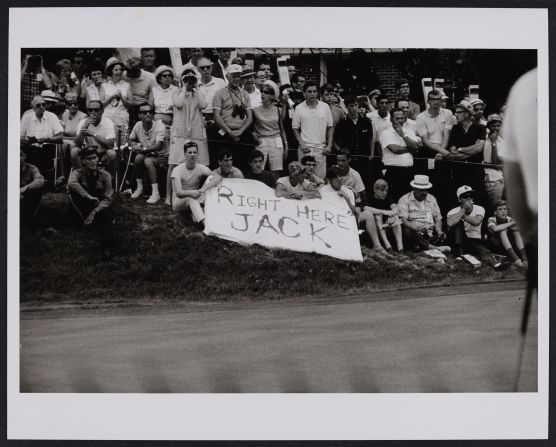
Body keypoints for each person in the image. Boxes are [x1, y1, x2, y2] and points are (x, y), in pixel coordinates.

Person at [319, 166, 386, 255]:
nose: (339, 179)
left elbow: (354, 213)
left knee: (368, 214)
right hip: (331, 220)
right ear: (329, 180)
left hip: (347, 219)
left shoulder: (348, 191)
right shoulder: (323, 191)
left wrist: (346, 198)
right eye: (335, 178)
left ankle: (377, 246)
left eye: (340, 176)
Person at [167, 67, 208, 204]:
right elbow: (178, 103)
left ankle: (201, 196)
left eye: (192, 78)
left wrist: (196, 87)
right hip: (180, 133)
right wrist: (184, 87)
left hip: (196, 133)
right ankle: (169, 196)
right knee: (173, 165)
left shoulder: (197, 94)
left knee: (200, 163)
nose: (189, 81)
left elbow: (204, 105)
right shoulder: (176, 93)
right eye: (186, 78)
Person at [67, 145, 116, 258]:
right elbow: (71, 183)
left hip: (98, 205)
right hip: (81, 205)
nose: (93, 161)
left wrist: (93, 213)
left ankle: (107, 245)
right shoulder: (77, 173)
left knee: (105, 217)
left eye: (94, 158)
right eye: (89, 159)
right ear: (83, 161)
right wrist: (87, 196)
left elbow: (108, 198)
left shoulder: (105, 175)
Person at [415, 89, 456, 214]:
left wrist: (442, 151)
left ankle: (445, 215)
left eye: (439, 99)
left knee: (445, 184)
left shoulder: (448, 113)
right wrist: (441, 151)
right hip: (428, 152)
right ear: (428, 101)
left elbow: (446, 135)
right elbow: (426, 141)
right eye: (433, 99)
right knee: (430, 184)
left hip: (444, 150)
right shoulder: (421, 117)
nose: (436, 102)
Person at [447, 185, 505, 269]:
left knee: (483, 251)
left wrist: (461, 215)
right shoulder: (453, 211)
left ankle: (495, 264)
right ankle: (459, 254)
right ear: (459, 200)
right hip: (458, 241)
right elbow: (450, 223)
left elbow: (476, 222)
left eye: (471, 196)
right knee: (458, 224)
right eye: (465, 196)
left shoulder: (479, 208)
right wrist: (463, 210)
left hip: (474, 240)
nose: (469, 198)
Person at [211, 64, 254, 172]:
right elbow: (217, 116)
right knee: (224, 164)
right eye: (233, 76)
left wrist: (240, 131)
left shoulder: (245, 94)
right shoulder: (220, 93)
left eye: (238, 76)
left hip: (241, 132)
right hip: (225, 132)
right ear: (227, 77)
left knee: (243, 164)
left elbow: (249, 118)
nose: (236, 79)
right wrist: (230, 132)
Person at [171, 142, 219, 229]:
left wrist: (203, 189)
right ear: (185, 154)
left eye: (194, 152)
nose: (192, 155)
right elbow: (178, 193)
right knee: (191, 200)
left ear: (197, 154)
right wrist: (191, 193)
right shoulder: (177, 170)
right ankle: (206, 226)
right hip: (179, 201)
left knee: (211, 180)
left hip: (196, 196)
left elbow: (217, 177)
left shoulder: (200, 167)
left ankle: (198, 215)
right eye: (189, 152)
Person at [448, 100, 487, 207]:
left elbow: (479, 148)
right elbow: (452, 152)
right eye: (456, 112)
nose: (456, 115)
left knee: (477, 200)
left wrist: (460, 149)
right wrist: (471, 151)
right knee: (459, 199)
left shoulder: (480, 128)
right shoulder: (455, 129)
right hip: (459, 171)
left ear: (467, 113)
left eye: (459, 112)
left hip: (476, 170)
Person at [292, 81, 333, 179]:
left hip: (321, 150)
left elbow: (330, 127)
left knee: (320, 180)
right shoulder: (299, 108)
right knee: (303, 179)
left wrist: (329, 145)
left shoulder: (325, 107)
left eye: (314, 91)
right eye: (309, 92)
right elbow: (295, 128)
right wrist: (302, 144)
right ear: (304, 93)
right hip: (305, 149)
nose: (312, 94)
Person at [20, 95, 64, 183]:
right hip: (30, 146)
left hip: (48, 146)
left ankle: (37, 180)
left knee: (37, 153)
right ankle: (39, 179)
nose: (42, 107)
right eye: (38, 105)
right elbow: (20, 137)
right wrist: (27, 141)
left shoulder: (52, 116)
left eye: (43, 104)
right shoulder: (26, 118)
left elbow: (60, 137)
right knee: (31, 152)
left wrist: (47, 139)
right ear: (32, 107)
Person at [128, 103, 167, 204]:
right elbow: (131, 139)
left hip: (161, 156)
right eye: (144, 112)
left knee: (147, 161)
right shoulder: (138, 125)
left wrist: (143, 148)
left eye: (150, 112)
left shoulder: (159, 125)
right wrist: (134, 145)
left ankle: (155, 193)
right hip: (147, 153)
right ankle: (139, 188)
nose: (148, 114)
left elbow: (158, 146)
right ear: (139, 115)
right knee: (138, 159)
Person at [379, 107, 420, 202]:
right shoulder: (386, 133)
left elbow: (416, 148)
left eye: (402, 118)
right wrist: (410, 148)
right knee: (393, 198)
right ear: (391, 119)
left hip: (409, 171)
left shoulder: (409, 132)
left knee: (408, 200)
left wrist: (403, 135)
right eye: (397, 118)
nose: (400, 121)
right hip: (393, 171)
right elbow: (395, 149)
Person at [398, 174, 446, 252]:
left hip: (430, 232)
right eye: (421, 190)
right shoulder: (404, 199)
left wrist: (439, 230)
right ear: (414, 189)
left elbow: (437, 218)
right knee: (407, 231)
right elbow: (402, 219)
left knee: (442, 234)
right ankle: (431, 247)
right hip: (415, 233)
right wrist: (412, 226)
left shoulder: (432, 198)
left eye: (426, 190)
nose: (424, 192)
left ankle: (420, 246)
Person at [333, 95, 374, 185]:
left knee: (366, 182)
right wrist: (340, 152)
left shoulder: (366, 122)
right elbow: (335, 141)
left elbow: (371, 139)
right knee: (349, 183)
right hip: (350, 160)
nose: (354, 108)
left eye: (356, 105)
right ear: (347, 107)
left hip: (364, 158)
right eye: (351, 106)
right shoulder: (342, 124)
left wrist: (371, 154)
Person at [72, 100, 117, 182]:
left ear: (102, 111)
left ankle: (109, 180)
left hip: (102, 153)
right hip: (88, 152)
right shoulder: (83, 122)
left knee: (112, 153)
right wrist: (84, 127)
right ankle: (82, 178)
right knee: (74, 151)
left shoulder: (108, 123)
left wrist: (94, 134)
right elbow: (77, 144)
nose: (93, 112)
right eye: (90, 110)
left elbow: (110, 145)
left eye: (96, 110)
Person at [252, 80, 288, 179]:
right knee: (258, 168)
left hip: (276, 140)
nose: (263, 94)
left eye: (266, 92)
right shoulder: (255, 110)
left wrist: (286, 146)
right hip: (261, 140)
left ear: (272, 96)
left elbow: (282, 128)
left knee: (276, 170)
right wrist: (253, 134)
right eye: (262, 91)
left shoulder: (278, 109)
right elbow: (250, 126)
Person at [365, 179, 403, 253]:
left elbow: (395, 207)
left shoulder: (387, 197)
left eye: (386, 190)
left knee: (395, 217)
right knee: (378, 216)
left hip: (385, 225)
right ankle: (387, 245)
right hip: (374, 228)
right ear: (375, 190)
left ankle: (400, 247)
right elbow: (365, 208)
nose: (384, 193)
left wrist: (392, 213)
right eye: (382, 190)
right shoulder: (369, 196)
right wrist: (383, 212)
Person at [487, 200, 528, 267]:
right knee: (502, 231)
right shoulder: (492, 219)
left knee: (516, 230)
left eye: (504, 209)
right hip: (496, 247)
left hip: (507, 247)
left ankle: (525, 259)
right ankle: (516, 260)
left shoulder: (509, 219)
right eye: (500, 209)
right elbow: (495, 229)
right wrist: (512, 222)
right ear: (495, 212)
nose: (503, 211)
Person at [123, 57, 156, 127]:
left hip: (143, 105)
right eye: (127, 70)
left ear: (137, 70)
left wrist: (147, 112)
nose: (127, 74)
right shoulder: (125, 74)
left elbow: (151, 100)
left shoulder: (150, 78)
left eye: (130, 71)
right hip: (129, 105)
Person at [483, 113, 506, 210]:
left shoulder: (502, 141)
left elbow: (496, 161)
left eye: (498, 125)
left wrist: (493, 143)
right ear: (488, 126)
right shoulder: (483, 138)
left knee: (496, 207)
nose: (496, 128)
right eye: (493, 125)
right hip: (483, 177)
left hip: (496, 179)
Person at [102, 57, 130, 132]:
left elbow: (130, 105)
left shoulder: (127, 85)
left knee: (122, 141)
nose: (119, 72)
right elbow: (101, 105)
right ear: (111, 71)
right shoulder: (104, 86)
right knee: (108, 139)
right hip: (107, 116)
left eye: (120, 69)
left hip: (122, 116)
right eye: (116, 70)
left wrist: (122, 98)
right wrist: (111, 97)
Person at [20, 149, 45, 227]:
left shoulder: (31, 168)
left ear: (24, 157)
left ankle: (30, 218)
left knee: (36, 191)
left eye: (20, 155)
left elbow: (40, 180)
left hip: (26, 195)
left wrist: (24, 188)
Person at [197, 56, 226, 122]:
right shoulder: (195, 83)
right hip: (198, 117)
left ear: (211, 68)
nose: (205, 69)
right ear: (198, 69)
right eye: (202, 68)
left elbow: (226, 102)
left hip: (217, 117)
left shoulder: (220, 82)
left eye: (208, 67)